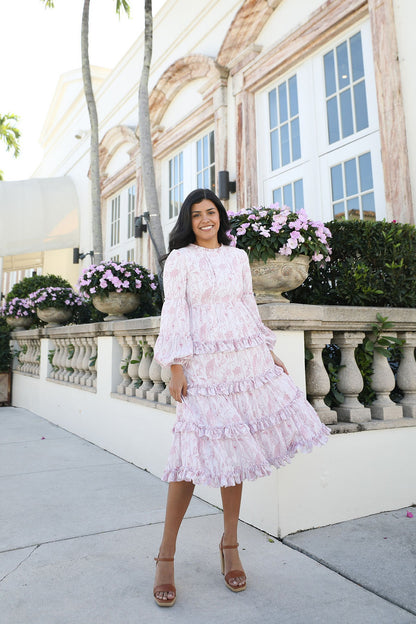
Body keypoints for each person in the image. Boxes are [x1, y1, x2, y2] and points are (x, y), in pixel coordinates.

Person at [152, 188, 330, 606]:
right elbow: (175, 310)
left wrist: (266, 352)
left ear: (220, 216)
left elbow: (246, 307)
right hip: (203, 367)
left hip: (243, 361)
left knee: (236, 460)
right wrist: (176, 365)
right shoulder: (180, 260)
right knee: (188, 460)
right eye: (196, 215)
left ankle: (230, 546)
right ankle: (165, 555)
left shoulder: (237, 257)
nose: (204, 220)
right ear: (188, 221)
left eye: (210, 212)